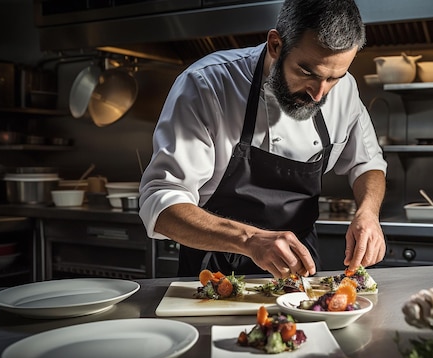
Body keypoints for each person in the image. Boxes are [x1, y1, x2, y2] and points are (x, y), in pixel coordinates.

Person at [139, 0, 387, 278]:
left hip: (301, 270)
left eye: (334, 78)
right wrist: (249, 240)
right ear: (275, 45)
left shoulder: (345, 90)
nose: (319, 94)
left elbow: (367, 164)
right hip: (213, 273)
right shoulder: (206, 85)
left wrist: (368, 214)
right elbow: (160, 204)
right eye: (307, 73)